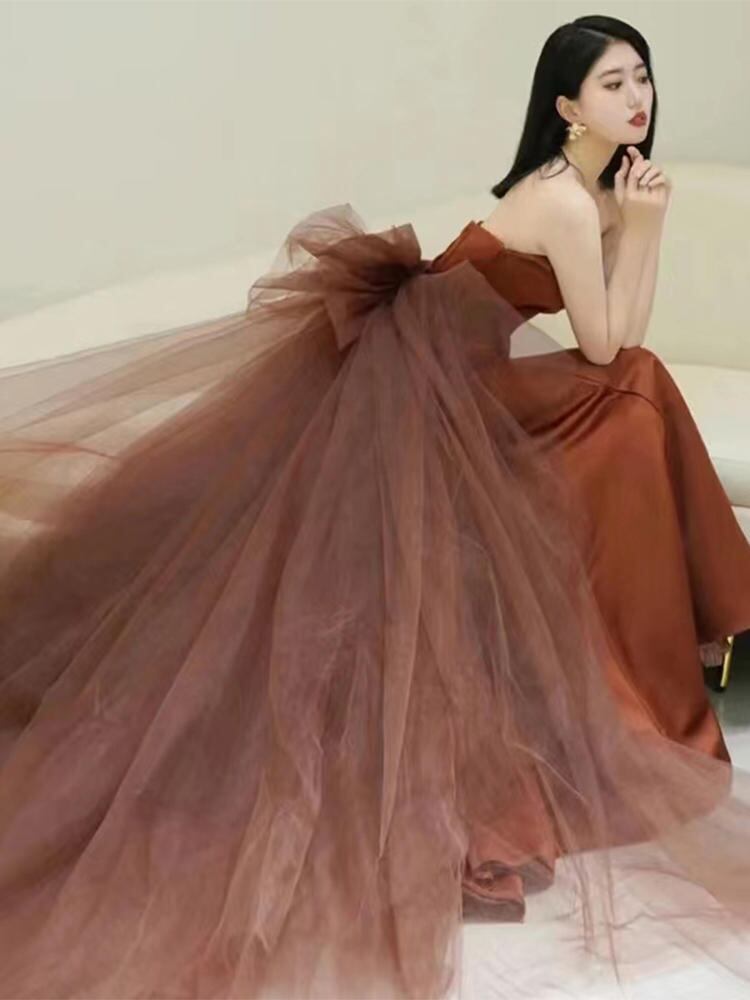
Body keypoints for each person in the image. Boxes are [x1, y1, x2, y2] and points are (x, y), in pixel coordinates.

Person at [0, 13, 749, 1000]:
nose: (639, 97)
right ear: (568, 106)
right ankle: (692, 635)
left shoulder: (596, 192)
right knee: (635, 391)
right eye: (615, 84)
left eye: (643, 77)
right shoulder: (567, 199)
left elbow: (619, 338)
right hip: (437, 396)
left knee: (636, 396)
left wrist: (639, 224)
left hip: (465, 384)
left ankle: (673, 645)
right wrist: (643, 228)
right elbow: (611, 347)